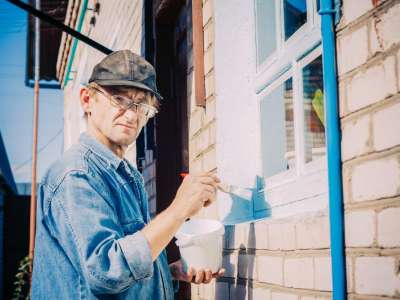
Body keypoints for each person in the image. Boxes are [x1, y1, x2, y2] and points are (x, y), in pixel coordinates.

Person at [31, 50, 223, 299]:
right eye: (119, 99)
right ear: (87, 99)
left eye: (142, 106)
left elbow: (125, 262)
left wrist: (169, 272)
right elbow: (107, 272)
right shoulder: (76, 175)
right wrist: (180, 209)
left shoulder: (125, 175)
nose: (132, 115)